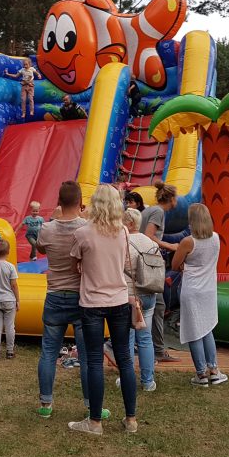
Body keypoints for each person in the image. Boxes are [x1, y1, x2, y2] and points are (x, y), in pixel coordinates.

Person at [68, 184, 138, 435]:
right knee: (125, 359)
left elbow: (75, 260)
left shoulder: (83, 232)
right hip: (118, 299)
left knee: (95, 360)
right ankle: (131, 420)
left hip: (92, 302)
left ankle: (95, 422)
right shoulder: (123, 232)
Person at [35, 181, 97, 421]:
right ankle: (91, 403)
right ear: (81, 202)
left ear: (59, 201)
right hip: (81, 296)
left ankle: (45, 403)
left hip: (54, 295)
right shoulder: (86, 227)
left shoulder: (47, 229)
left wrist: (52, 217)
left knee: (48, 352)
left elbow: (40, 247)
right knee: (86, 355)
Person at [173, 203, 227, 386]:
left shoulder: (188, 241)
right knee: (207, 328)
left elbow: (174, 265)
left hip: (191, 289)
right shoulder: (216, 238)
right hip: (209, 289)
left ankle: (200, 373)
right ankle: (214, 370)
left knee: (193, 331)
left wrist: (184, 264)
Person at [117, 208, 158, 392]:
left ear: (130, 223)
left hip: (130, 295)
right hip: (149, 293)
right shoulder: (151, 243)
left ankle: (126, 378)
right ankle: (148, 381)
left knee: (127, 338)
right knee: (145, 338)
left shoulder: (123, 242)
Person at [141, 181, 180, 364]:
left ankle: (154, 348)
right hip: (149, 264)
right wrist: (170, 246)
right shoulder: (158, 212)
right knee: (158, 305)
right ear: (171, 198)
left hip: (143, 263)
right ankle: (157, 350)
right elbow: (149, 236)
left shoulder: (150, 210)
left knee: (155, 305)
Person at [0, 240, 20, 359]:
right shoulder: (10, 267)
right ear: (8, 251)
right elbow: (14, 285)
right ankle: (9, 351)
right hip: (9, 300)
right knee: (9, 326)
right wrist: (17, 300)